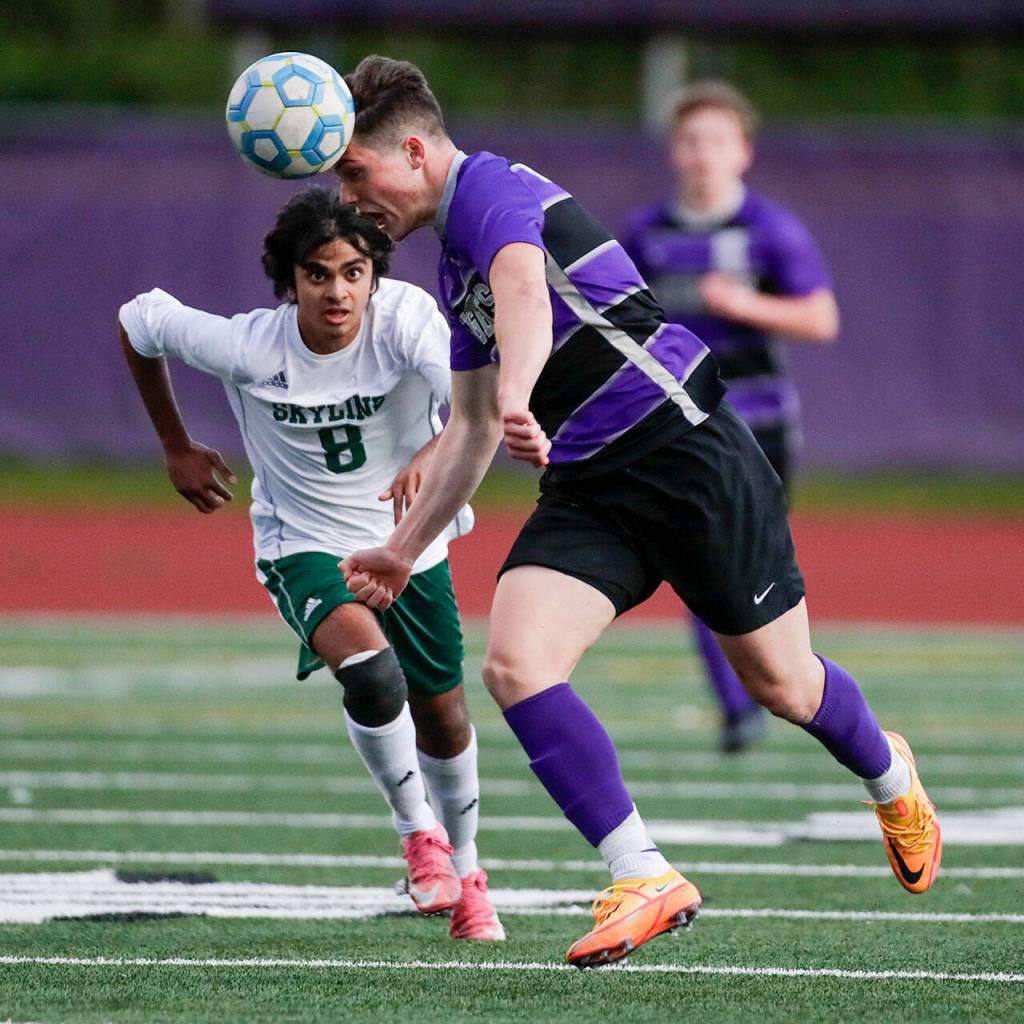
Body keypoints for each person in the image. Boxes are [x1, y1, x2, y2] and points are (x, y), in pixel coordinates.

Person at [334, 56, 941, 968]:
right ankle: (643, 872)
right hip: (593, 486)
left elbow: (530, 298)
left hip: (687, 450)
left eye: (353, 171)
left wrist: (521, 394)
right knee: (515, 664)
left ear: (414, 151)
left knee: (782, 686)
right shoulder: (451, 259)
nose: (347, 196)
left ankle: (890, 774)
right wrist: (401, 547)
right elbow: (465, 427)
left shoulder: (491, 192)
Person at [118, 186, 504, 942]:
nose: (338, 290)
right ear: (289, 280)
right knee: (372, 673)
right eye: (318, 274)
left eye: (354, 272)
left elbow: (473, 408)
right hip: (305, 545)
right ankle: (418, 837)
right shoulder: (249, 345)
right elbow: (140, 323)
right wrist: (175, 443)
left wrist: (430, 453)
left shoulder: (405, 321)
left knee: (444, 715)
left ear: (375, 274)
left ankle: (469, 872)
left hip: (410, 541)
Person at [623, 81, 841, 754]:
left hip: (762, 422)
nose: (702, 154)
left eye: (716, 140)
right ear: (673, 152)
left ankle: (782, 684)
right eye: (690, 140)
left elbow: (820, 317)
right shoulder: (646, 234)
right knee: (696, 559)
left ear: (742, 152)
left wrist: (748, 307)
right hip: (682, 426)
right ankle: (737, 704)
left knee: (757, 564)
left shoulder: (770, 230)